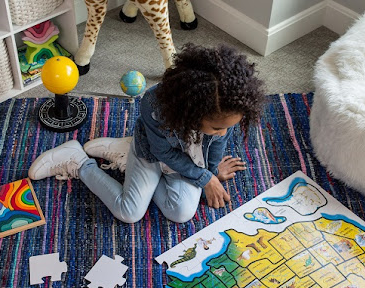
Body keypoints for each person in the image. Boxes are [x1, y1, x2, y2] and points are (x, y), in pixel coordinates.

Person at [29, 43, 264, 224]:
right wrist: (205, 178)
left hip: (186, 160)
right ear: (194, 111)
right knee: (129, 212)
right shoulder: (156, 106)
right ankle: (78, 161)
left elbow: (216, 146)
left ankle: (124, 154)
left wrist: (211, 173)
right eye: (216, 128)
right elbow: (163, 151)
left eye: (229, 127)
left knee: (181, 213)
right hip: (152, 151)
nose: (223, 133)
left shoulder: (224, 113)